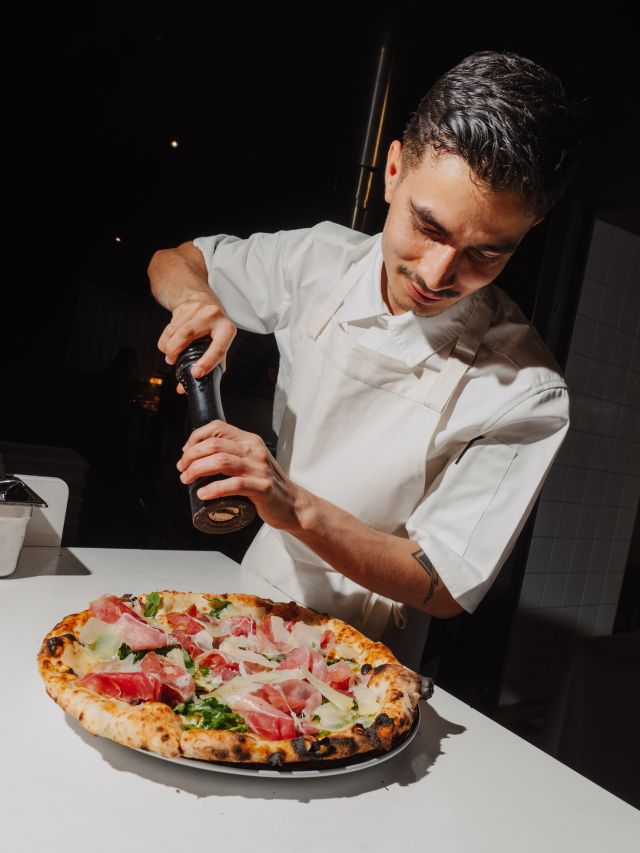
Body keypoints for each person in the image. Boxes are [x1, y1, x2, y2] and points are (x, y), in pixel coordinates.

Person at [147, 50, 581, 666]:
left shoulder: (528, 391)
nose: (437, 274)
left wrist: (292, 504)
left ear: (527, 231)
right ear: (394, 171)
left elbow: (443, 584)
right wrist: (197, 301)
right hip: (255, 587)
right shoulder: (318, 260)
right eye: (428, 227)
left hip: (372, 650)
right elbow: (174, 260)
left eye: (485, 253)